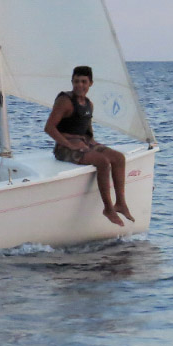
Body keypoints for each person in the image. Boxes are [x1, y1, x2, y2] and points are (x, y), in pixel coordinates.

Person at [44, 66, 132, 227]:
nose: (79, 85)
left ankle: (120, 203)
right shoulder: (65, 101)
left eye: (84, 81)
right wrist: (69, 144)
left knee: (118, 158)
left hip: (83, 142)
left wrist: (93, 144)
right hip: (64, 148)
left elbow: (87, 131)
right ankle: (108, 208)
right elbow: (49, 128)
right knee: (102, 162)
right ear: (72, 82)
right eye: (76, 81)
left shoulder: (89, 104)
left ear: (90, 83)